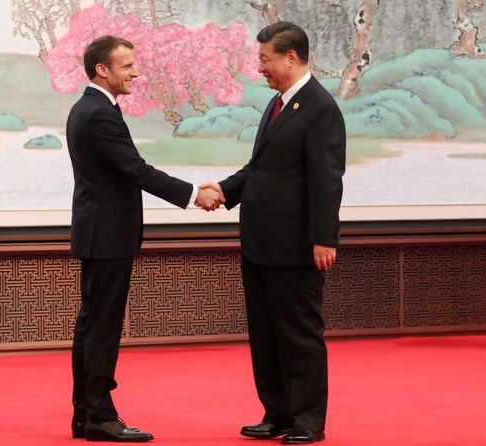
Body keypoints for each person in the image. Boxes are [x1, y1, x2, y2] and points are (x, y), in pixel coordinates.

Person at [66, 35, 223, 442]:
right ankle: (100, 416)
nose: (136, 72)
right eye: (127, 66)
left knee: (91, 325)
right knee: (101, 327)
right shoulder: (98, 112)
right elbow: (136, 169)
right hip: (107, 235)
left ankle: (85, 413)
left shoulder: (91, 108)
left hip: (101, 233)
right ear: (102, 69)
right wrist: (194, 194)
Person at [201, 22, 346, 445]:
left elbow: (327, 180)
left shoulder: (320, 108)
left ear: (291, 57)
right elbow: (261, 169)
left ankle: (308, 420)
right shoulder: (277, 104)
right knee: (265, 334)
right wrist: (224, 190)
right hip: (260, 243)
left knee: (298, 334)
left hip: (296, 245)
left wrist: (324, 237)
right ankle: (277, 413)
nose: (260, 67)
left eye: (265, 59)